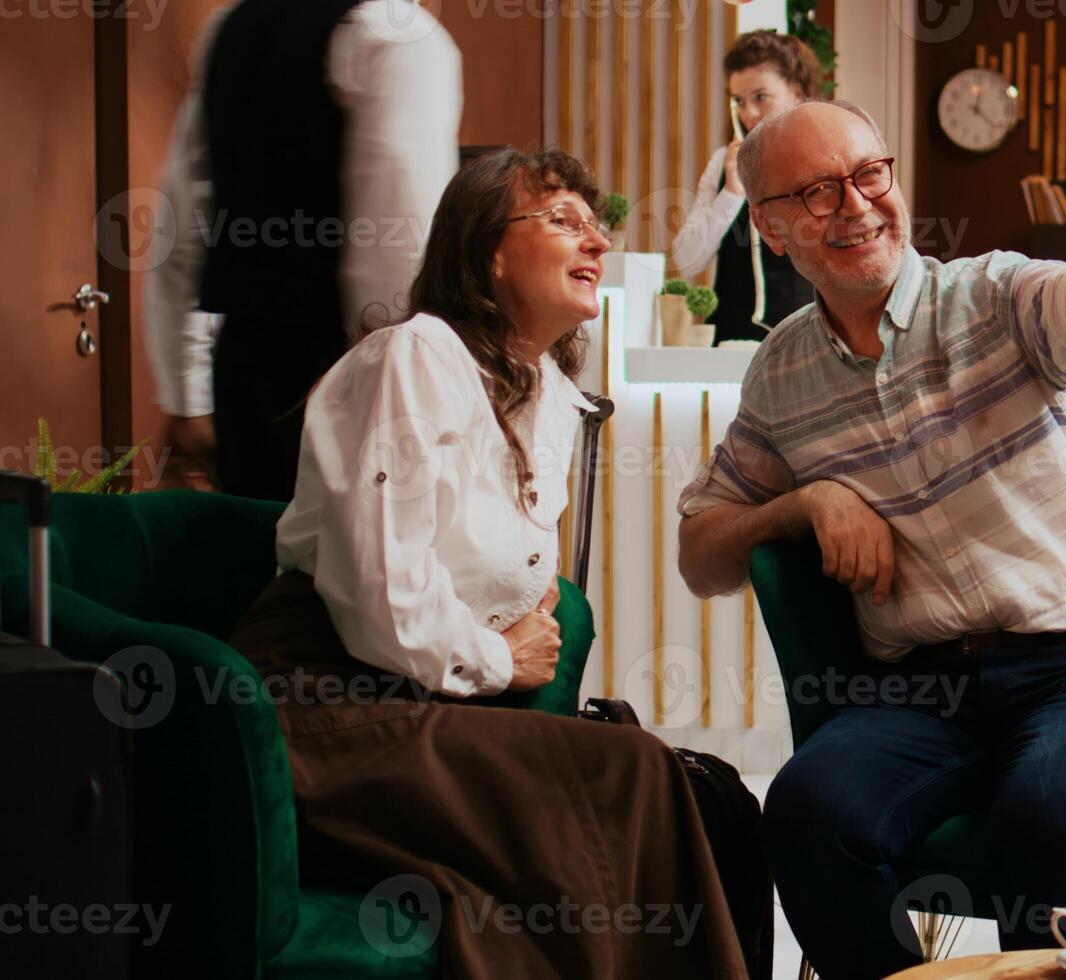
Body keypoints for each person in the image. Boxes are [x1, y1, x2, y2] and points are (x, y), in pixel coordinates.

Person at [675, 79, 1066, 978]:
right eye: (817, 192)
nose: (856, 206)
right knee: (807, 808)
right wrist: (803, 503)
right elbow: (701, 553)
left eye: (869, 173)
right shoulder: (780, 373)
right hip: (924, 694)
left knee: (1044, 814)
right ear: (770, 228)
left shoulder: (992, 296)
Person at [228, 148, 750, 979]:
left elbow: (507, 580)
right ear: (486, 250)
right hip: (316, 706)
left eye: (596, 225)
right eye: (562, 221)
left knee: (635, 791)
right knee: (634, 771)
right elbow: (379, 599)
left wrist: (506, 628)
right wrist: (502, 656)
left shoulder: (541, 393)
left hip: (418, 703)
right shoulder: (417, 354)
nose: (595, 244)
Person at [144, 0, 461, 500]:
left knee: (251, 562)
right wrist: (404, 400)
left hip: (242, 371)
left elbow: (180, 226)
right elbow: (397, 244)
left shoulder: (231, 28)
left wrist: (186, 393)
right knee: (360, 572)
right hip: (344, 372)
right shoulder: (400, 38)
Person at [667, 29, 819, 345]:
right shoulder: (723, 162)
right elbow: (687, 260)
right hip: (731, 344)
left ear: (797, 94)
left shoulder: (823, 162)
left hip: (807, 339)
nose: (748, 114)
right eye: (739, 101)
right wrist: (732, 193)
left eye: (761, 97)